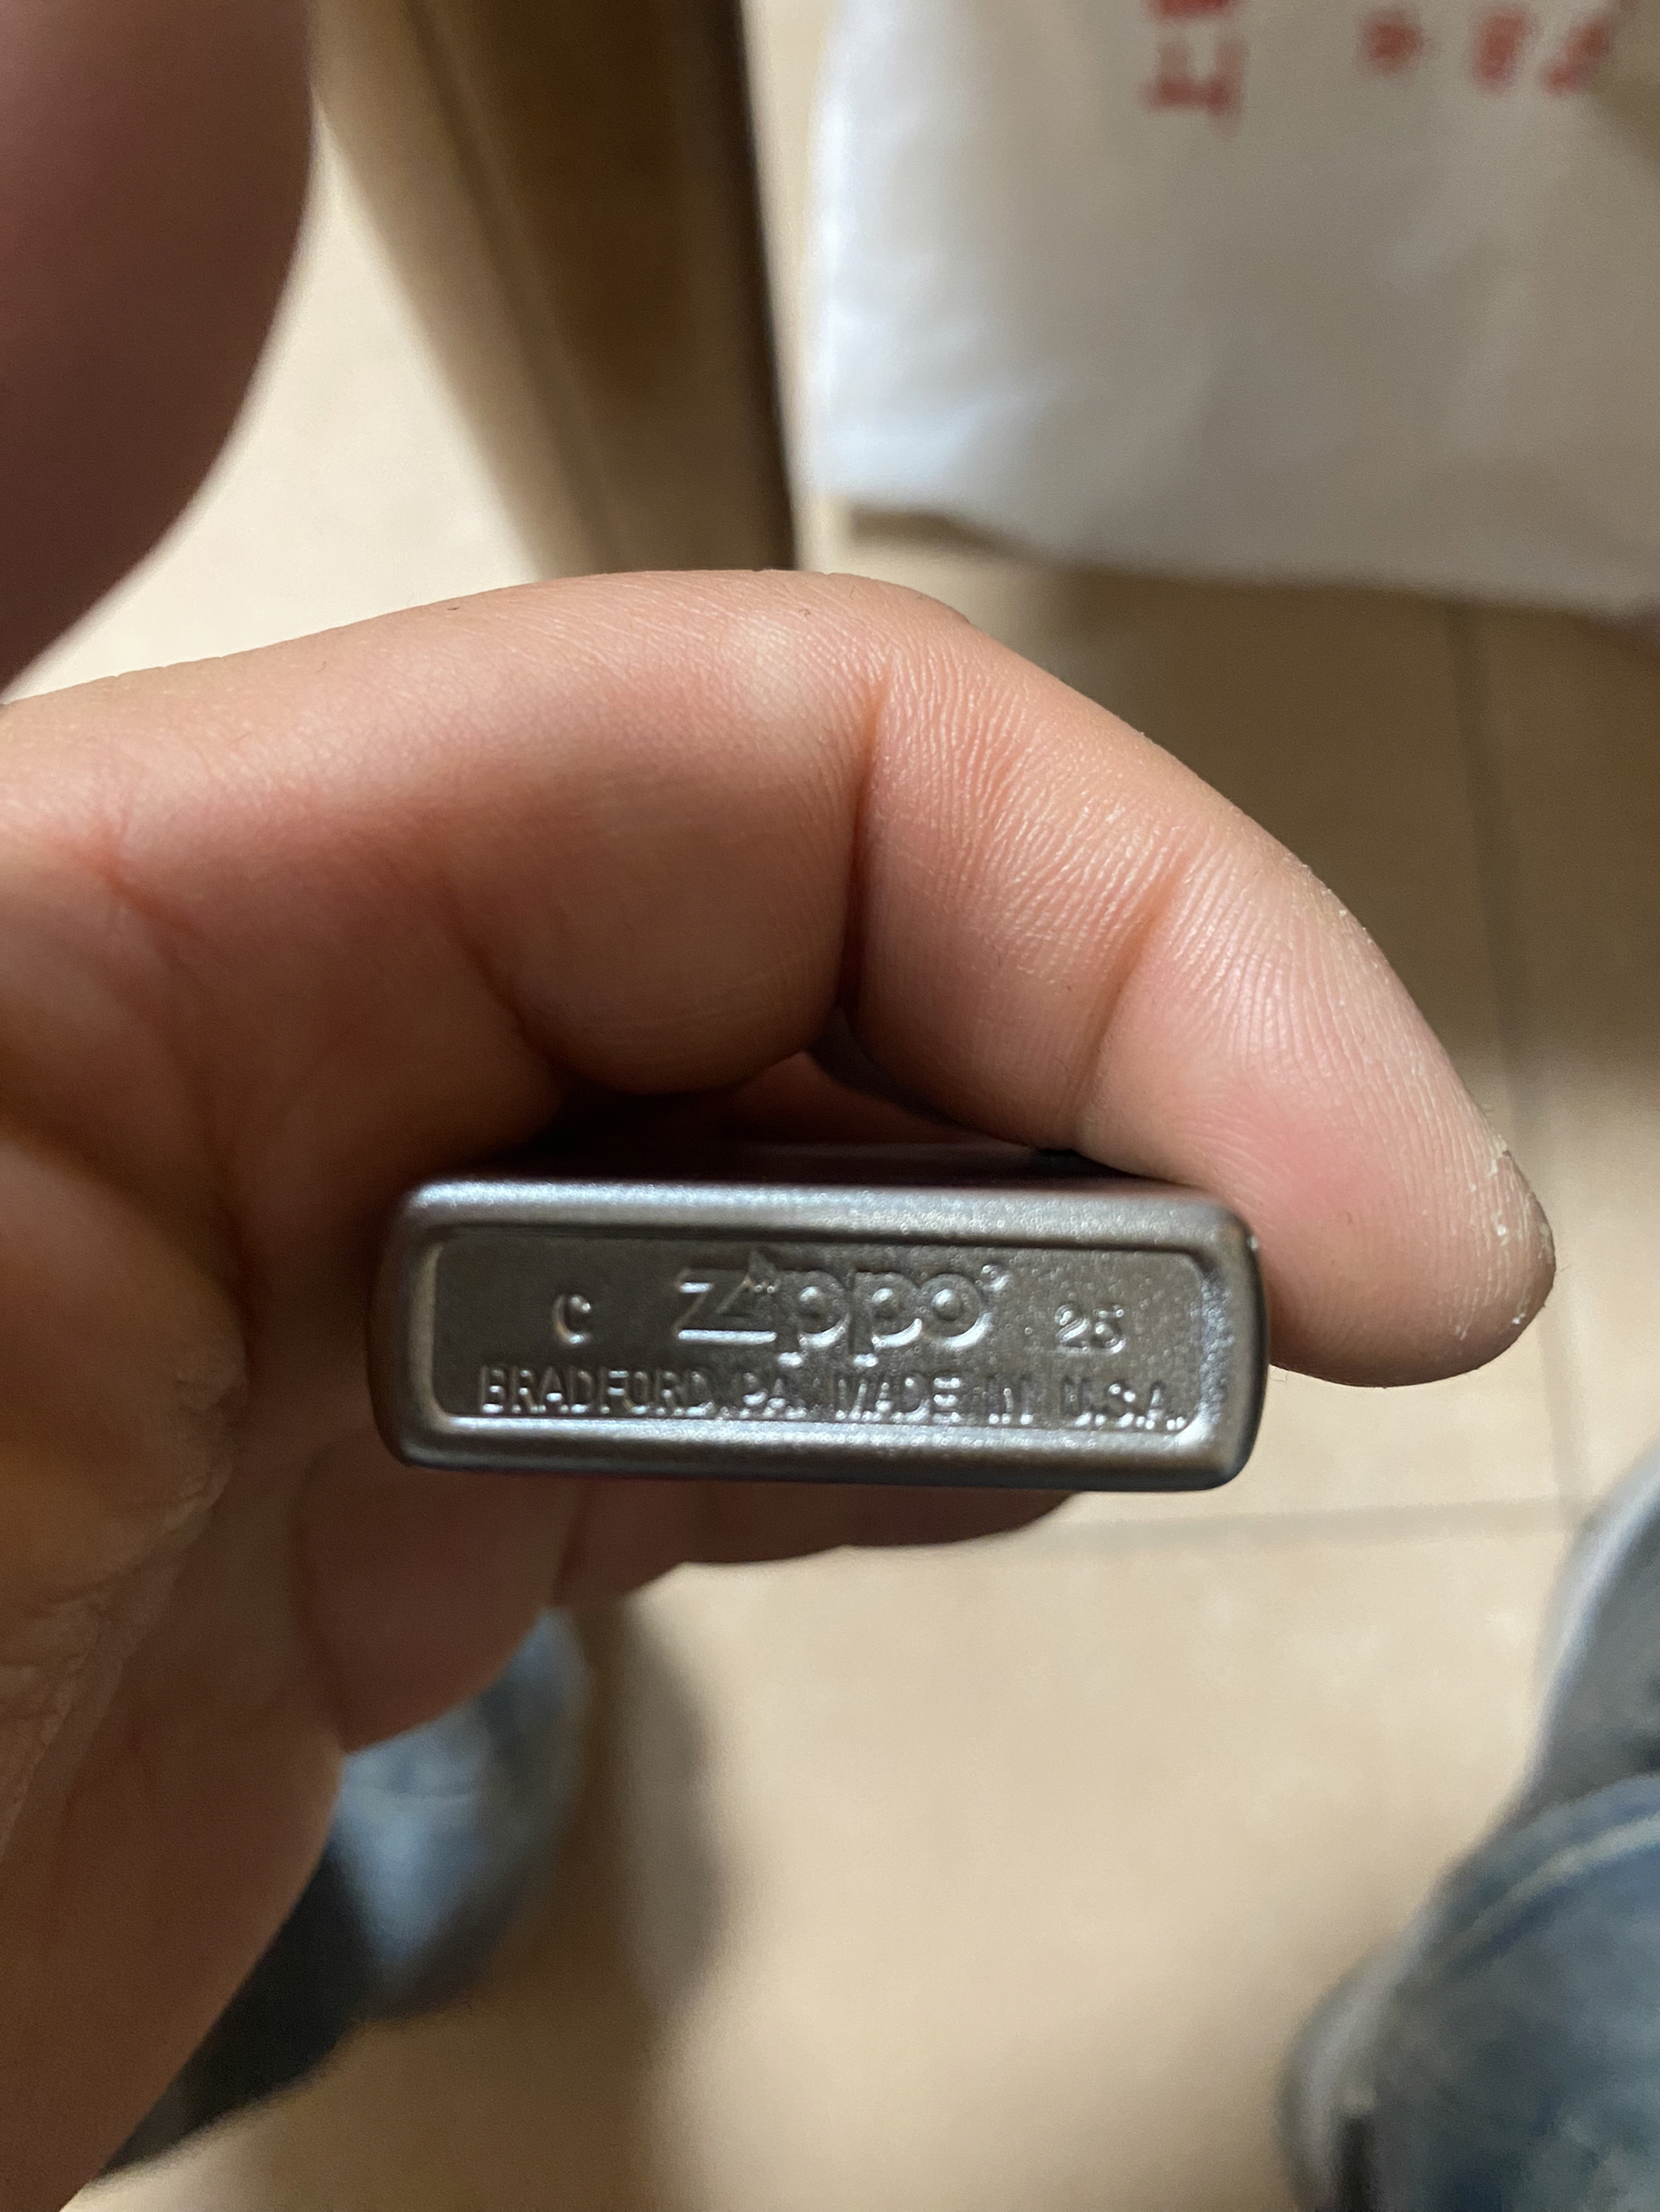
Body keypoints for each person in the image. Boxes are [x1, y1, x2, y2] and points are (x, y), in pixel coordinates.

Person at [0, 3, 1559, 2203]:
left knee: (319, 1822)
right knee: (329, 1818)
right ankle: (420, 1827)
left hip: (169, 1792)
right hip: (197, 1765)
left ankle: (417, 1835)